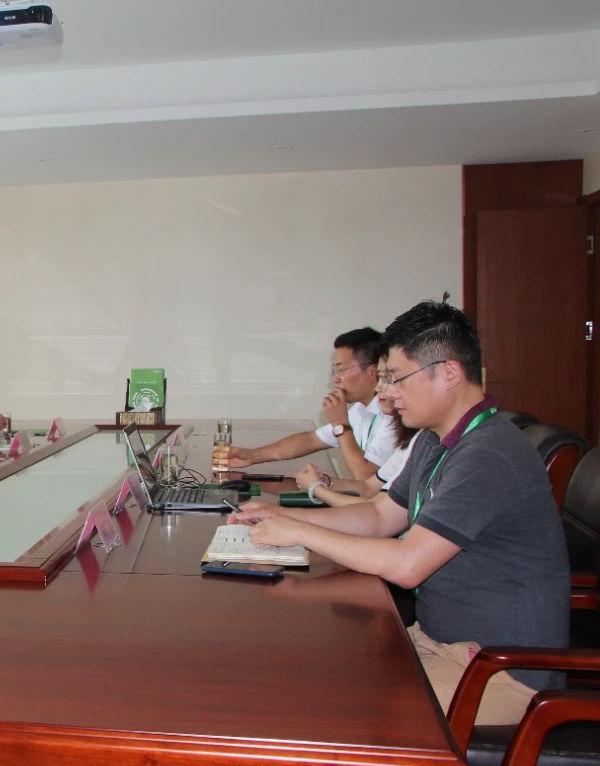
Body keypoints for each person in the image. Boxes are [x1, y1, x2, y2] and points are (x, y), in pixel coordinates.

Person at [233, 300, 568, 727]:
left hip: (497, 671)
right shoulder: (434, 440)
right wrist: (279, 516)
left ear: (449, 373)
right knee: (311, 668)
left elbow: (408, 565)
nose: (386, 393)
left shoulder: (488, 454)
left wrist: (299, 533)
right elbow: (379, 516)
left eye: (396, 378)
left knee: (325, 711)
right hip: (438, 645)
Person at [227, 328, 398, 480]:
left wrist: (340, 424)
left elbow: (366, 477)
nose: (335, 379)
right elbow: (311, 440)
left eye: (341, 369)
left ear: (372, 371)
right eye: (334, 371)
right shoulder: (360, 409)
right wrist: (252, 455)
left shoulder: (393, 414)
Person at [293, 351, 420, 507]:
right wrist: (323, 482)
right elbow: (368, 488)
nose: (378, 387)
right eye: (381, 377)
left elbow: (377, 509)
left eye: (389, 379)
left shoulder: (407, 431)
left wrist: (317, 489)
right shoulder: (418, 440)